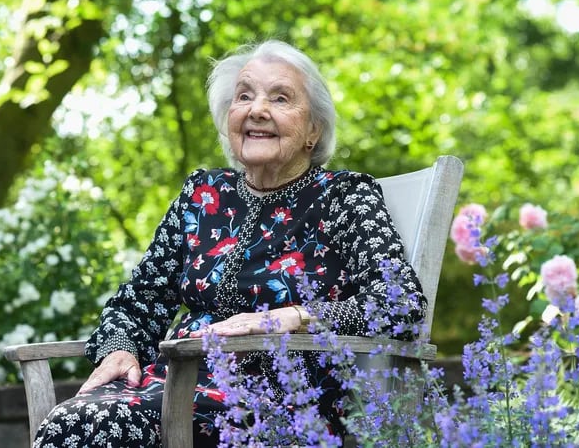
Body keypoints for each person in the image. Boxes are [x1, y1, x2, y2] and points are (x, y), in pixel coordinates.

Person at [32, 40, 427, 447]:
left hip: (274, 406)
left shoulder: (343, 197)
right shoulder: (203, 193)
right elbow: (140, 298)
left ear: (314, 130)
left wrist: (291, 317)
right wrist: (121, 349)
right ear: (228, 119)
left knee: (83, 426)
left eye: (280, 98)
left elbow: (400, 303)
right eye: (244, 95)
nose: (257, 109)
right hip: (168, 388)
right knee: (78, 420)